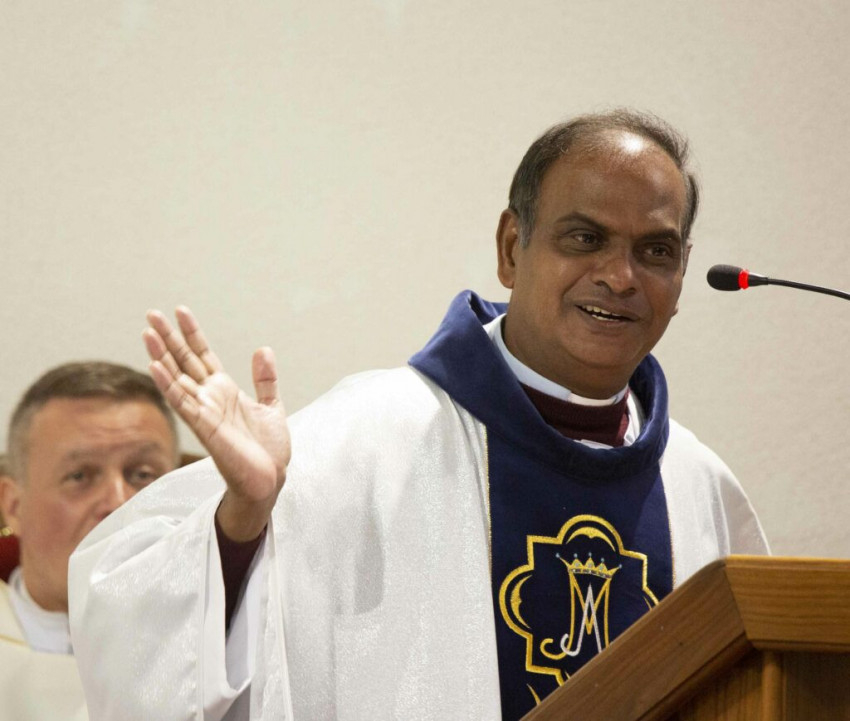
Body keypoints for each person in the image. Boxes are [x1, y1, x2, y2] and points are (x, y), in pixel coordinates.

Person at [69, 110, 769, 721]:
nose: (620, 276)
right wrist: (242, 522)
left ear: (681, 275)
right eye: (584, 238)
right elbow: (124, 618)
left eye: (655, 251)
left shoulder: (698, 485)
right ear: (512, 248)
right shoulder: (364, 440)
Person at [0, 362, 179, 721]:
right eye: (80, 476)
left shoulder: (223, 646)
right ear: (13, 507)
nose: (118, 502)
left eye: (142, 474)